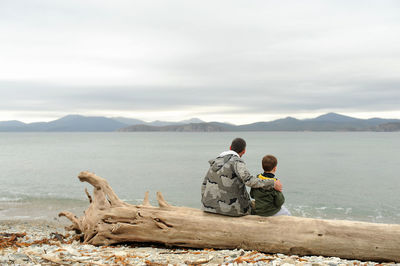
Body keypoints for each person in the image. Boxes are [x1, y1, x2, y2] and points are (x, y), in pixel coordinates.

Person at [201, 138, 282, 217]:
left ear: (230, 147)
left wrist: (206, 203)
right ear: (244, 151)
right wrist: (272, 183)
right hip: (231, 210)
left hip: (209, 207)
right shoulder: (237, 162)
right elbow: (249, 180)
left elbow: (204, 185)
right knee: (267, 209)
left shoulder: (215, 162)